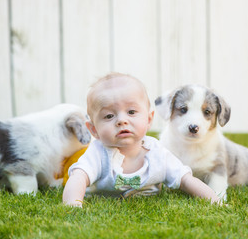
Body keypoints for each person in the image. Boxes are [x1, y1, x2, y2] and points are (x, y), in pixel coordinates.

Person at [62, 72, 221, 207]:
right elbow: (78, 177)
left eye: (131, 112)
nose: (121, 121)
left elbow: (186, 180)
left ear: (149, 119)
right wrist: (73, 205)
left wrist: (215, 202)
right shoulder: (97, 153)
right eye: (109, 116)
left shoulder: (157, 153)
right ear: (93, 130)